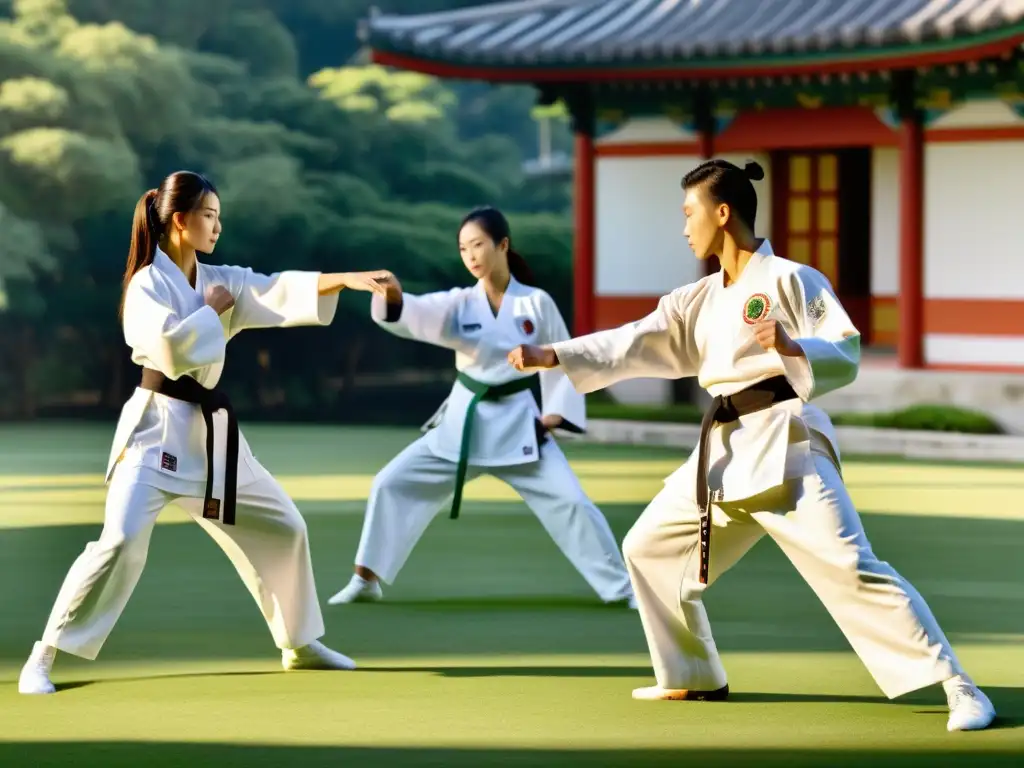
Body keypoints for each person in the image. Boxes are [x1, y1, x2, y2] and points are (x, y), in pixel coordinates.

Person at [507, 159, 995, 733]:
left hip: (787, 445)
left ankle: (959, 686)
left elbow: (845, 345)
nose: (684, 226)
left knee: (850, 567)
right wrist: (555, 355)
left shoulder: (792, 278)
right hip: (722, 452)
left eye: (690, 213)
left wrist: (793, 346)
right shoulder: (696, 297)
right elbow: (635, 339)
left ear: (723, 212)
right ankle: (692, 672)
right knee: (647, 549)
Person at [18, 170, 393, 695]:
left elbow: (277, 290)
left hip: (212, 440)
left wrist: (344, 279)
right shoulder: (147, 283)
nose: (218, 226)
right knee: (120, 542)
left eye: (219, 217)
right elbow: (171, 353)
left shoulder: (222, 277)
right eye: (209, 216)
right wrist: (213, 310)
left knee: (285, 525)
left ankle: (299, 643)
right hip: (154, 436)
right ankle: (43, 656)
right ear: (179, 220)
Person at [327, 206, 635, 608]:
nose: (471, 256)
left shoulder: (536, 304)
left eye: (478, 245)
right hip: (464, 424)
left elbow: (563, 356)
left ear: (502, 245)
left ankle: (624, 589)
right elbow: (414, 314)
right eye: (463, 249)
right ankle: (365, 580)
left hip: (520, 428)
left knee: (573, 502)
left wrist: (555, 415)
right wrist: (394, 295)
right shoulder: (458, 304)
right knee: (391, 483)